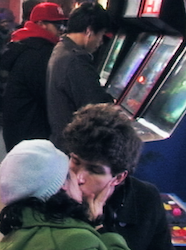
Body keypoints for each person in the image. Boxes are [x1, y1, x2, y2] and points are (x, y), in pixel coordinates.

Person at [62, 103, 174, 250]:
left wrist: (97, 227)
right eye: (75, 162)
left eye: (94, 170)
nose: (79, 178)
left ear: (119, 178)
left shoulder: (144, 198)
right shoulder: (50, 193)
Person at [0, 139, 130, 250]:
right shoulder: (77, 240)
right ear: (63, 185)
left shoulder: (10, 238)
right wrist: (102, 229)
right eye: (72, 171)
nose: (79, 179)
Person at [46, 2, 115, 150]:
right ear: (89, 31)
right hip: (76, 146)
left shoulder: (62, 48)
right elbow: (98, 109)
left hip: (62, 139)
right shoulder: (75, 61)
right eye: (101, 34)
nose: (101, 41)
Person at [0, 2, 67, 152]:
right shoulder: (38, 52)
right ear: (41, 24)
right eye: (57, 25)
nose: (61, 30)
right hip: (30, 132)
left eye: (63, 24)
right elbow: (46, 96)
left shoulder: (23, 43)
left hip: (19, 127)